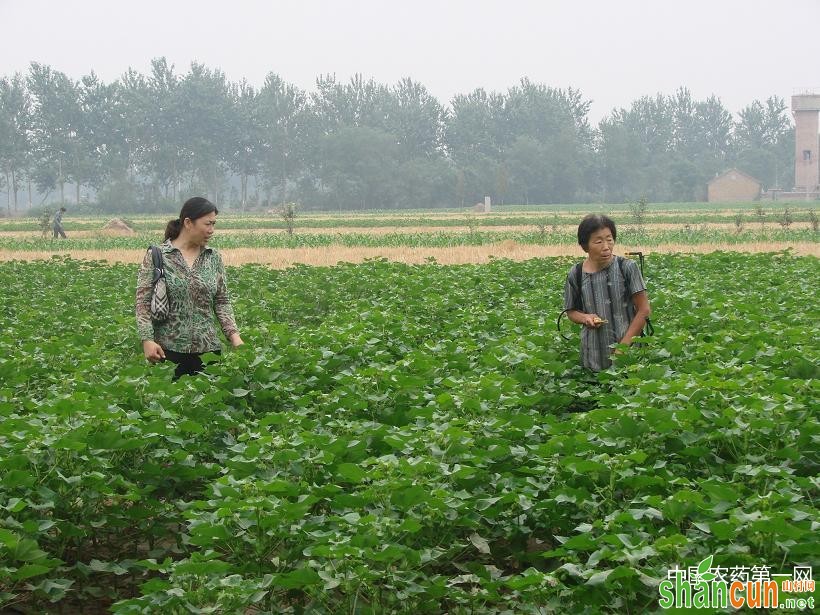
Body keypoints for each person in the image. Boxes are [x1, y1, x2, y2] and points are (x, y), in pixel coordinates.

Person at [136, 196, 243, 379]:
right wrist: (147, 340)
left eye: (214, 224)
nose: (211, 230)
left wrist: (234, 337)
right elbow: (143, 303)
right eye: (207, 224)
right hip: (168, 351)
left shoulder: (213, 257)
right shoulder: (158, 256)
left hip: (208, 351)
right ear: (188, 222)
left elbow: (222, 301)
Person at [562, 214, 651, 372]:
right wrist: (585, 317)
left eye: (609, 239)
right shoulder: (575, 273)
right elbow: (571, 312)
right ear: (585, 246)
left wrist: (623, 347)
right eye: (598, 241)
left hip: (628, 353)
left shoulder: (627, 267)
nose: (606, 246)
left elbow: (644, 310)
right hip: (592, 355)